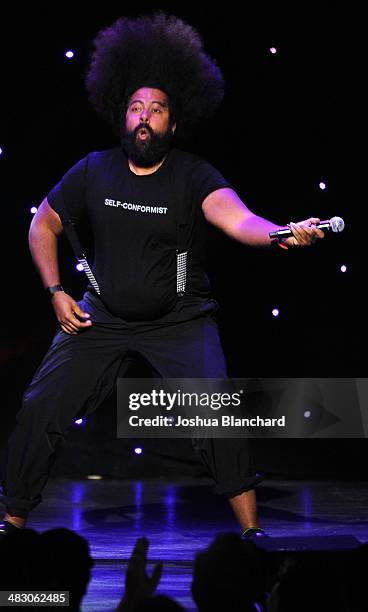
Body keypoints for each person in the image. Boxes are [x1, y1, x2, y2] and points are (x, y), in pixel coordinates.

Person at [0, 13, 324, 539]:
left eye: (157, 109)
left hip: (180, 321)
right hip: (100, 318)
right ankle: (12, 523)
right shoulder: (92, 169)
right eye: (135, 109)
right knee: (40, 406)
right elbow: (44, 223)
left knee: (217, 414)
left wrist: (280, 233)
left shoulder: (195, 175)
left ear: (174, 123)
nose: (145, 117)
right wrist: (56, 292)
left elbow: (239, 220)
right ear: (122, 120)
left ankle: (252, 537)